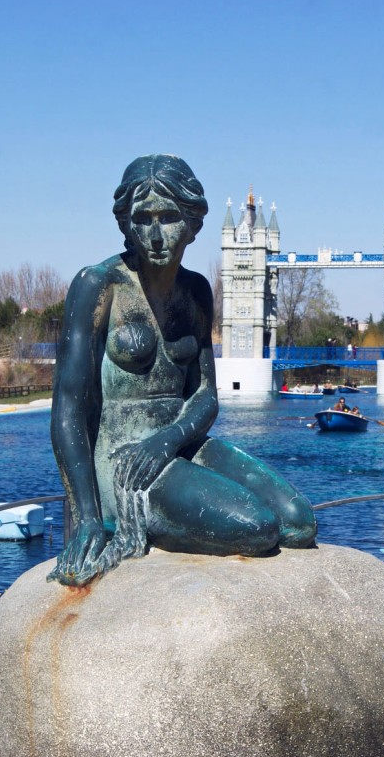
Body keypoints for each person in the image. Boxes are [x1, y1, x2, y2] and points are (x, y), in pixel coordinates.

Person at [49, 155, 315, 586]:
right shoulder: (98, 285)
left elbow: (206, 395)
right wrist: (86, 519)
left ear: (193, 223)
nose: (155, 235)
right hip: (124, 463)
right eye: (143, 219)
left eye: (169, 218)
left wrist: (168, 439)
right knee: (259, 527)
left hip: (180, 444)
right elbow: (66, 412)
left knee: (298, 522)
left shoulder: (196, 292)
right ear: (125, 224)